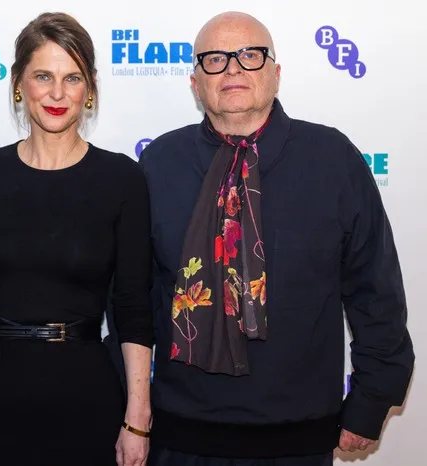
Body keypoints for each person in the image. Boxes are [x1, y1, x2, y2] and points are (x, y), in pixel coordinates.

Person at [138, 11, 415, 466]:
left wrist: (371, 401)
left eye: (249, 55)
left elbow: (376, 292)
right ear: (194, 82)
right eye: (214, 59)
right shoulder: (159, 163)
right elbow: (133, 297)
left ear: (276, 73)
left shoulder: (333, 160)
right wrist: (132, 411)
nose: (232, 68)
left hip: (299, 443)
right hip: (180, 439)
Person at [0, 12, 153, 466]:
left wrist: (137, 417)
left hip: (88, 394)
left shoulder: (120, 177)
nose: (58, 93)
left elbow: (133, 306)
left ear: (90, 88)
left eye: (73, 78)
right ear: (19, 83)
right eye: (44, 76)